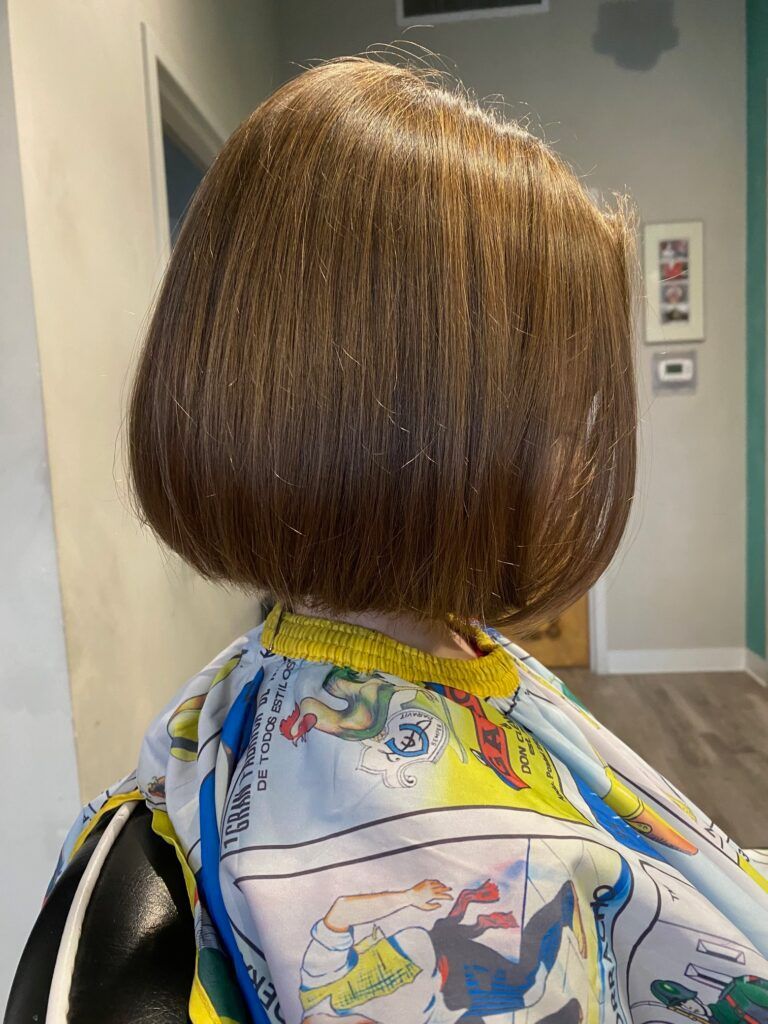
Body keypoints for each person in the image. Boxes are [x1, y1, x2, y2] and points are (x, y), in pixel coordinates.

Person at [7, 55, 767, 1024]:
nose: (588, 450)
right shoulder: (427, 861)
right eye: (568, 414)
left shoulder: (408, 665)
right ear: (446, 422)